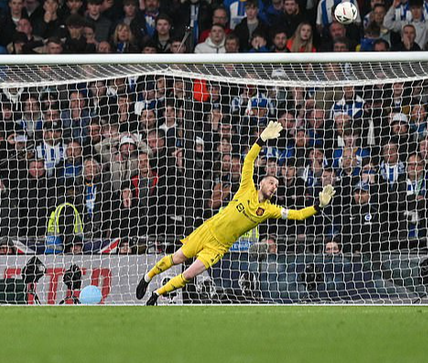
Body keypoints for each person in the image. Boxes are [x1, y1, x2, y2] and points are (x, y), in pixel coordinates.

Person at [136, 121, 336, 305]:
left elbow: (298, 215)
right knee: (176, 258)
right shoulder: (246, 187)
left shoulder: (269, 210)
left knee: (188, 275)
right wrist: (262, 139)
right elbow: (249, 159)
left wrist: (318, 206)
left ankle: (156, 295)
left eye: (277, 185)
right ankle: (147, 278)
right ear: (262, 183)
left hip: (218, 248)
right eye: (271, 182)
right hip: (208, 230)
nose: (274, 186)